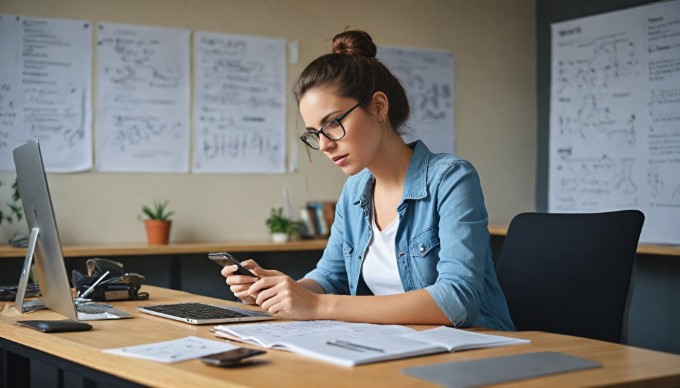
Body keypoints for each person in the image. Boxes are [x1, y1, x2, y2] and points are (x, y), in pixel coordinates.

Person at [222, 29, 514, 330]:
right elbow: (330, 276)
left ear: (378, 106)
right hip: (393, 346)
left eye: (333, 123)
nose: (323, 145)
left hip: (474, 348)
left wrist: (318, 305)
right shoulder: (355, 190)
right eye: (314, 134)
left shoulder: (450, 178)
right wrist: (280, 292)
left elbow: (457, 299)